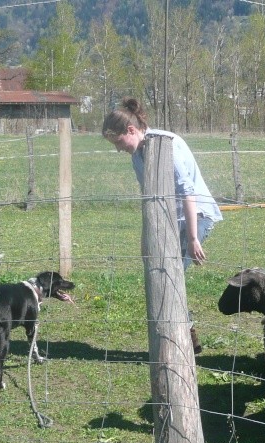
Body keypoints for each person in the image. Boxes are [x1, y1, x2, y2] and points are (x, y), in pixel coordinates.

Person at [102, 97, 223, 354]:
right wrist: (148, 236)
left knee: (170, 274)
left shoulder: (165, 145)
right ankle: (184, 334)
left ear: (131, 130)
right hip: (168, 218)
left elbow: (187, 193)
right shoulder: (138, 154)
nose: (118, 149)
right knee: (163, 272)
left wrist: (192, 238)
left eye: (118, 142)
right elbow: (151, 197)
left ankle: (184, 336)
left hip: (195, 216)